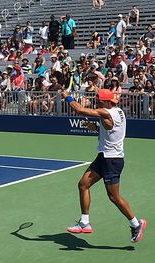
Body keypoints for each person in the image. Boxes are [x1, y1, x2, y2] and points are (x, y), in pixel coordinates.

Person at [62, 89, 146, 243]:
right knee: (83, 185)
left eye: (100, 100)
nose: (97, 102)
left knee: (114, 197)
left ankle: (136, 223)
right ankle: (84, 222)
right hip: (103, 157)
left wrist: (67, 97)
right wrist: (91, 127)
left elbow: (79, 109)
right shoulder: (117, 111)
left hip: (112, 160)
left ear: (108, 101)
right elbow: (106, 128)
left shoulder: (108, 113)